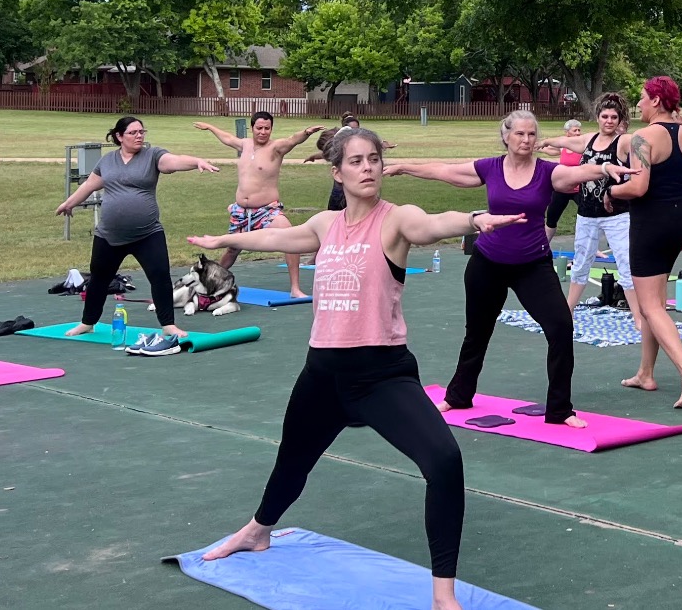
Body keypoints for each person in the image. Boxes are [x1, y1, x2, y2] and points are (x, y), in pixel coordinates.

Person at [186, 126, 521, 610]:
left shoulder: (396, 220)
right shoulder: (325, 224)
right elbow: (281, 236)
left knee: (444, 462)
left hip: (381, 375)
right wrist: (223, 237)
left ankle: (443, 594)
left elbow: (431, 224)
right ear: (337, 171)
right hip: (322, 373)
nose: (368, 168)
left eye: (374, 160)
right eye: (357, 161)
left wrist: (472, 220)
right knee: (293, 460)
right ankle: (257, 531)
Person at [383, 111, 624, 427]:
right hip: (487, 264)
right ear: (506, 136)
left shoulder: (547, 172)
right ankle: (458, 396)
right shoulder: (490, 168)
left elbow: (579, 173)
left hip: (533, 266)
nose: (526, 140)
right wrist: (404, 166)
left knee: (561, 327)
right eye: (520, 134)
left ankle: (560, 410)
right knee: (477, 334)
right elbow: (445, 170)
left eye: (531, 135)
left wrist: (606, 167)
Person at [54, 116, 222, 355]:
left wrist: (196, 162)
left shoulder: (152, 156)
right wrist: (69, 203)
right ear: (119, 136)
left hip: (147, 233)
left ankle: (168, 325)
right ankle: (87, 323)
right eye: (133, 132)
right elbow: (89, 185)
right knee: (99, 279)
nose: (139, 136)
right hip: (109, 235)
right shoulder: (108, 161)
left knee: (160, 276)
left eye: (142, 131)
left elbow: (173, 161)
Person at [602, 76, 682, 408]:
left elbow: (638, 187)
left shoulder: (641, 138)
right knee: (655, 301)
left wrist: (609, 190)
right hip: (679, 219)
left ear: (657, 101)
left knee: (649, 306)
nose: (640, 104)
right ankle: (645, 373)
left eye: (643, 98)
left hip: (650, 222)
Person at [195, 113, 324, 298]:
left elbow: (292, 140)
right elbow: (228, 138)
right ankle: (209, 285)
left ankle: (295, 288)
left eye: (267, 128)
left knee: (289, 237)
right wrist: (210, 127)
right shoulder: (245, 145)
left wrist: (306, 132)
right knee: (232, 250)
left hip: (266, 211)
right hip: (240, 211)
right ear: (252, 128)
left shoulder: (276, 148)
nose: (263, 132)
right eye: (259, 128)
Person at [555, 95, 637, 317]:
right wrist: (542, 142)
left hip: (616, 214)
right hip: (587, 213)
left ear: (620, 120)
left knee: (626, 263)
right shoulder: (589, 139)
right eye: (604, 116)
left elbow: (644, 142)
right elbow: (565, 142)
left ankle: (639, 317)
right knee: (581, 262)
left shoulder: (623, 141)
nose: (609, 121)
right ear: (597, 117)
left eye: (613, 117)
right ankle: (567, 310)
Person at [538, 118, 583, 234]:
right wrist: (541, 149)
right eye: (575, 130)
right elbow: (553, 150)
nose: (578, 133)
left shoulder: (583, 146)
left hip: (579, 189)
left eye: (579, 130)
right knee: (551, 219)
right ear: (567, 132)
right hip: (562, 188)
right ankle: (544, 247)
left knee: (587, 216)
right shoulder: (563, 146)